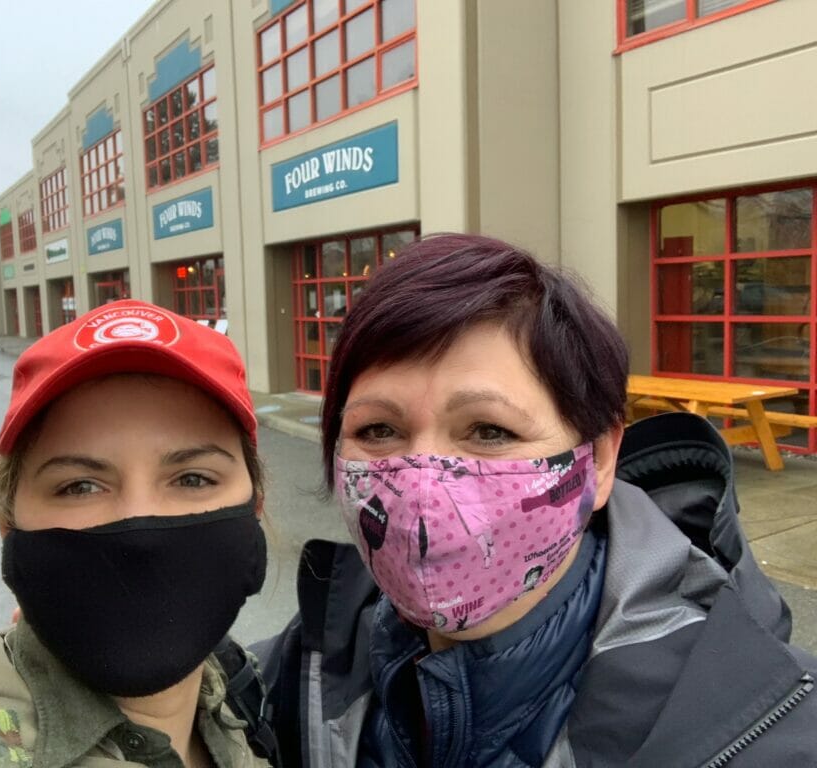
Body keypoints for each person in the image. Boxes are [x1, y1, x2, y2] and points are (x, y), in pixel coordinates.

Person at [255, 234, 817, 767]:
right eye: (378, 430)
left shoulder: (764, 726)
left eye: (490, 431)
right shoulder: (296, 678)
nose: (424, 494)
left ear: (597, 460)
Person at [0, 300, 272, 768]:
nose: (139, 529)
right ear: (9, 526)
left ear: (255, 506)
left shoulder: (243, 691)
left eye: (193, 479)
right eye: (80, 486)